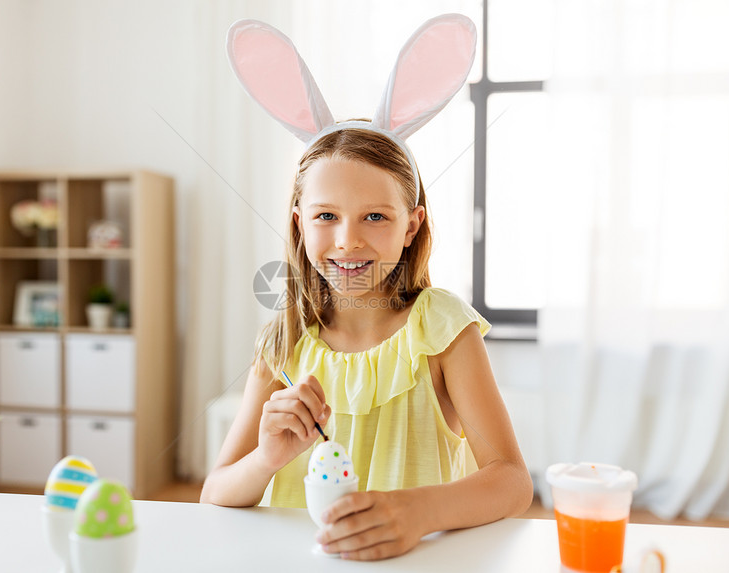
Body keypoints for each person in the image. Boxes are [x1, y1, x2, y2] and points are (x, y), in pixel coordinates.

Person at [200, 15, 533, 561]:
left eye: (375, 217)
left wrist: (417, 513)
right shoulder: (284, 341)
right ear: (299, 224)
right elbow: (215, 494)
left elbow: (513, 481)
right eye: (326, 215)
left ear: (412, 225)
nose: (348, 241)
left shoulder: (443, 329)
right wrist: (266, 457)